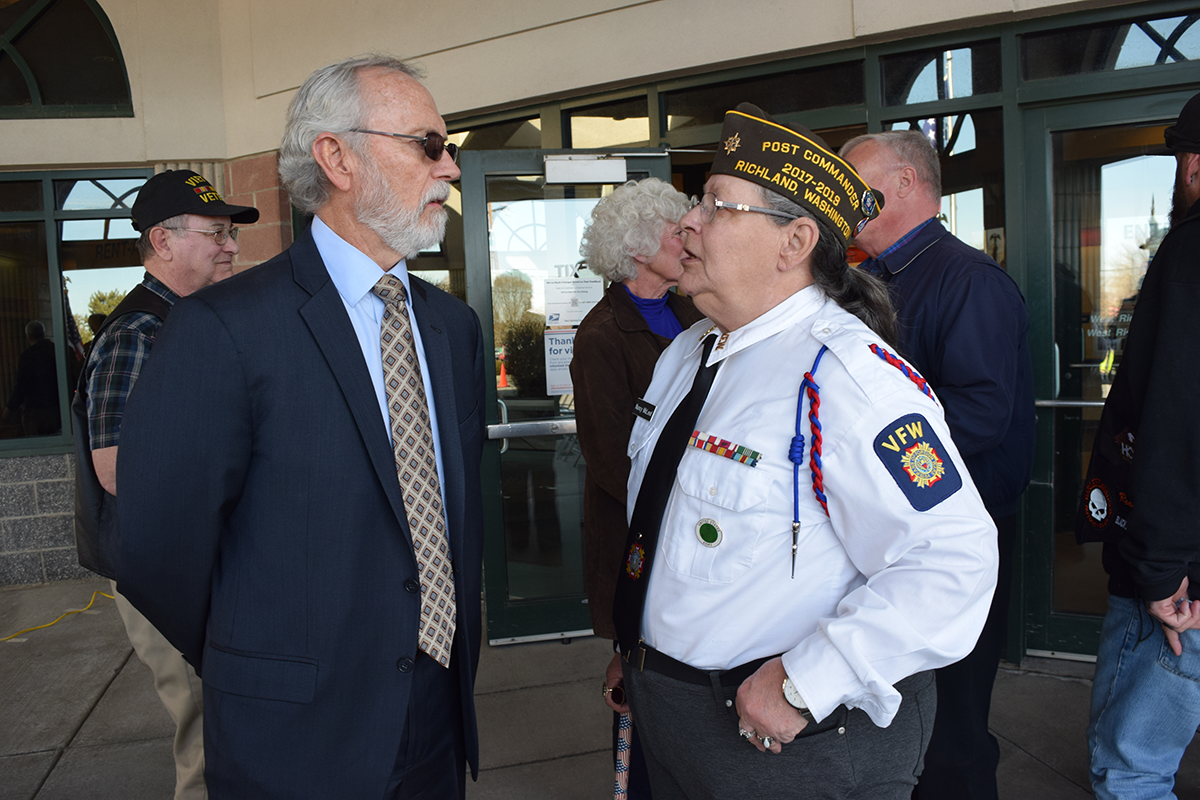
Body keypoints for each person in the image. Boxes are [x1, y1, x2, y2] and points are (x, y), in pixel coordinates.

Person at [114, 55, 486, 799]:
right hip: (293, 736)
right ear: (337, 156)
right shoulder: (223, 328)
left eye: (449, 147)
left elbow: (451, 514)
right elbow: (157, 551)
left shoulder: (453, 327)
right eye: (427, 144)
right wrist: (258, 664)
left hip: (439, 717)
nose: (448, 167)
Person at [610, 103, 998, 800]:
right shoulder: (687, 354)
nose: (687, 223)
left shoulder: (848, 378)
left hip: (783, 745)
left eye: (718, 208)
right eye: (698, 202)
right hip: (668, 716)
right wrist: (635, 646)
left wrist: (807, 679)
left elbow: (952, 562)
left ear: (794, 243)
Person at [839, 131, 1035, 800]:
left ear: (904, 185)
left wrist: (867, 437)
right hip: (890, 535)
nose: (843, 199)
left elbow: (982, 414)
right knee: (902, 717)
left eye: (855, 184)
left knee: (952, 729)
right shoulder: (867, 281)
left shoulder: (969, 282)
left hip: (954, 537)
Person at [72, 167, 259, 800]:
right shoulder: (137, 335)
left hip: (198, 558)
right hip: (164, 572)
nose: (231, 246)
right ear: (164, 240)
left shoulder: (192, 323)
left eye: (230, 232)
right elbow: (118, 470)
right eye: (216, 233)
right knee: (206, 737)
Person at [1080, 89, 1200, 800]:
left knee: (1130, 769)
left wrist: (1160, 573)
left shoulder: (1191, 250)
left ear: (1191, 165)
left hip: (1181, 585)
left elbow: (1177, 417)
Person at [571, 177, 704, 797]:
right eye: (676, 231)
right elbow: (610, 463)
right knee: (646, 692)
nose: (689, 239)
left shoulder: (693, 311)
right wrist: (679, 512)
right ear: (636, 247)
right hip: (642, 540)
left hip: (696, 532)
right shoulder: (601, 334)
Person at [4, 320, 60, 435]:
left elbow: (21, 385)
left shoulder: (28, 356)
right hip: (57, 410)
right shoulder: (56, 352)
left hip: (35, 413)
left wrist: (9, 408)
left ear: (29, 336)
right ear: (43, 334)